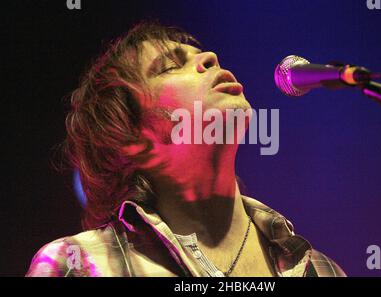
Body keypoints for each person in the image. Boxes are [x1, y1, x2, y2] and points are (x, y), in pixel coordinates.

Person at [26, 21, 345, 277]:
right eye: (170, 66)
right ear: (132, 139)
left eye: (201, 54)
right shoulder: (77, 265)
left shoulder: (320, 270)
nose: (210, 58)